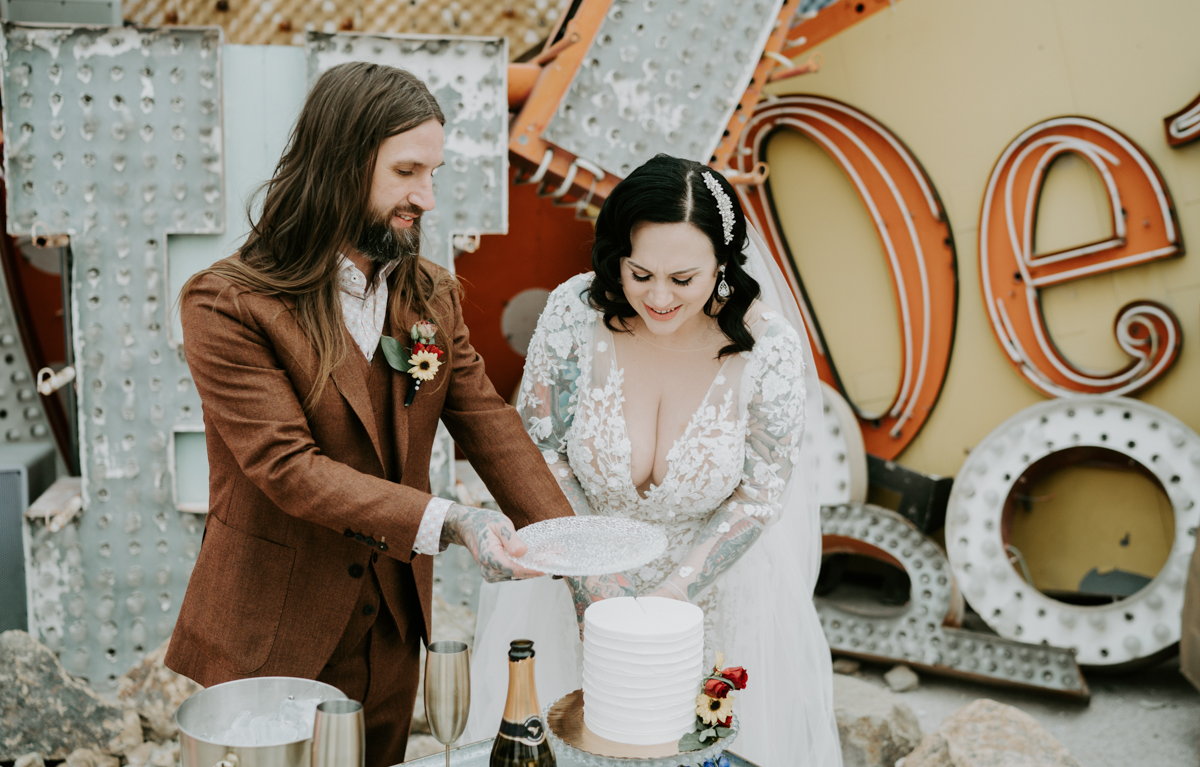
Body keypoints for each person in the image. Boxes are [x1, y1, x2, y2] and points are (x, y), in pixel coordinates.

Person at [165, 63, 573, 767]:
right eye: (408, 172)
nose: (427, 198)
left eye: (434, 173)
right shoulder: (225, 303)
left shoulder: (433, 295)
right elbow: (288, 469)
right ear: (340, 164)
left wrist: (578, 554)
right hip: (273, 631)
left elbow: (487, 421)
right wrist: (452, 521)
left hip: (391, 627)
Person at [467, 154, 842, 766]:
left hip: (711, 599)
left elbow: (760, 491)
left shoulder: (767, 346)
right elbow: (541, 451)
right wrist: (591, 579)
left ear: (723, 264)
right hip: (575, 577)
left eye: (684, 279)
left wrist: (676, 595)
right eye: (639, 274)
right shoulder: (573, 314)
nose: (659, 298)